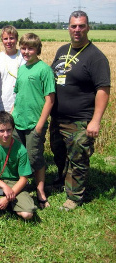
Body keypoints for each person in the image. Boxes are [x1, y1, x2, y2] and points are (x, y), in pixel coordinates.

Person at [50, 11, 110, 211]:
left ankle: (74, 196)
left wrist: (96, 121)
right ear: (68, 27)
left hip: (80, 119)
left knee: (78, 157)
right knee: (59, 153)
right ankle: (62, 181)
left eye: (81, 26)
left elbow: (103, 89)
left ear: (88, 28)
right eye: (74, 26)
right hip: (58, 117)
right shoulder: (62, 50)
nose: (77, 30)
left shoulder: (95, 57)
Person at [12, 33, 55, 209]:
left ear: (38, 49)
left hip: (33, 124)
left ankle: (40, 191)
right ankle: (20, 188)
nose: (26, 51)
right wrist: (11, 116)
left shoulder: (44, 69)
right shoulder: (22, 68)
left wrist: (39, 125)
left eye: (30, 48)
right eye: (23, 48)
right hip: (17, 122)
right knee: (18, 157)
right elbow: (18, 95)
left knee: (34, 158)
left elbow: (50, 99)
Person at [0, 25, 25, 113]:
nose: (9, 41)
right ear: (2, 40)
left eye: (11, 38)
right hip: (0, 106)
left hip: (20, 106)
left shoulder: (24, 57)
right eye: (5, 39)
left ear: (17, 39)